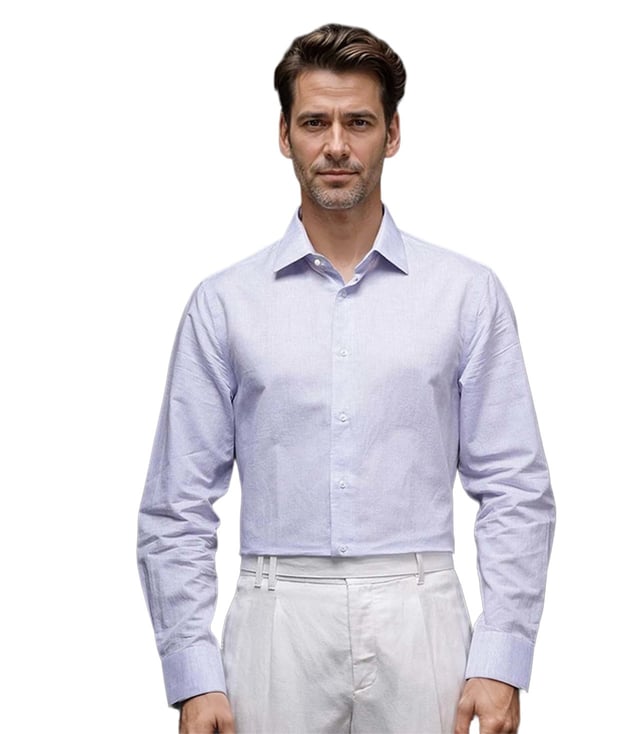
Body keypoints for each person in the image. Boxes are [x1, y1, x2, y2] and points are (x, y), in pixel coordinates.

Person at [137, 23, 555, 734]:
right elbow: (177, 504)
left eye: (358, 122)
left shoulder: (465, 294)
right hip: (276, 615)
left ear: (392, 134)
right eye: (315, 122)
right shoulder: (225, 303)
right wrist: (193, 674)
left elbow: (515, 485)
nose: (336, 145)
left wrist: (502, 659)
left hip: (421, 611)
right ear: (284, 135)